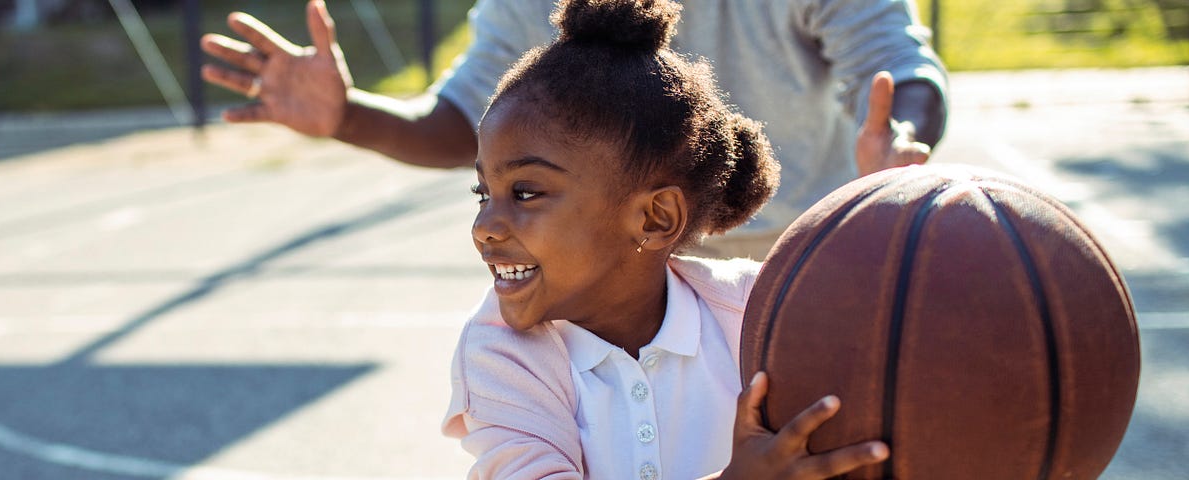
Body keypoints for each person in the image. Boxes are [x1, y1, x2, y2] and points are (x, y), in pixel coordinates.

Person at [440, 0, 887, 477]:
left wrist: (884, 213)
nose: (484, 225)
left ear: (655, 219)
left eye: (525, 193)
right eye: (482, 193)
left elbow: (893, 344)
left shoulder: (757, 312)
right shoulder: (499, 353)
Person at [200, 0, 947, 259]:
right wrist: (348, 116)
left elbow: (898, 66)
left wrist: (902, 138)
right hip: (619, 260)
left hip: (794, 247)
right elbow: (463, 118)